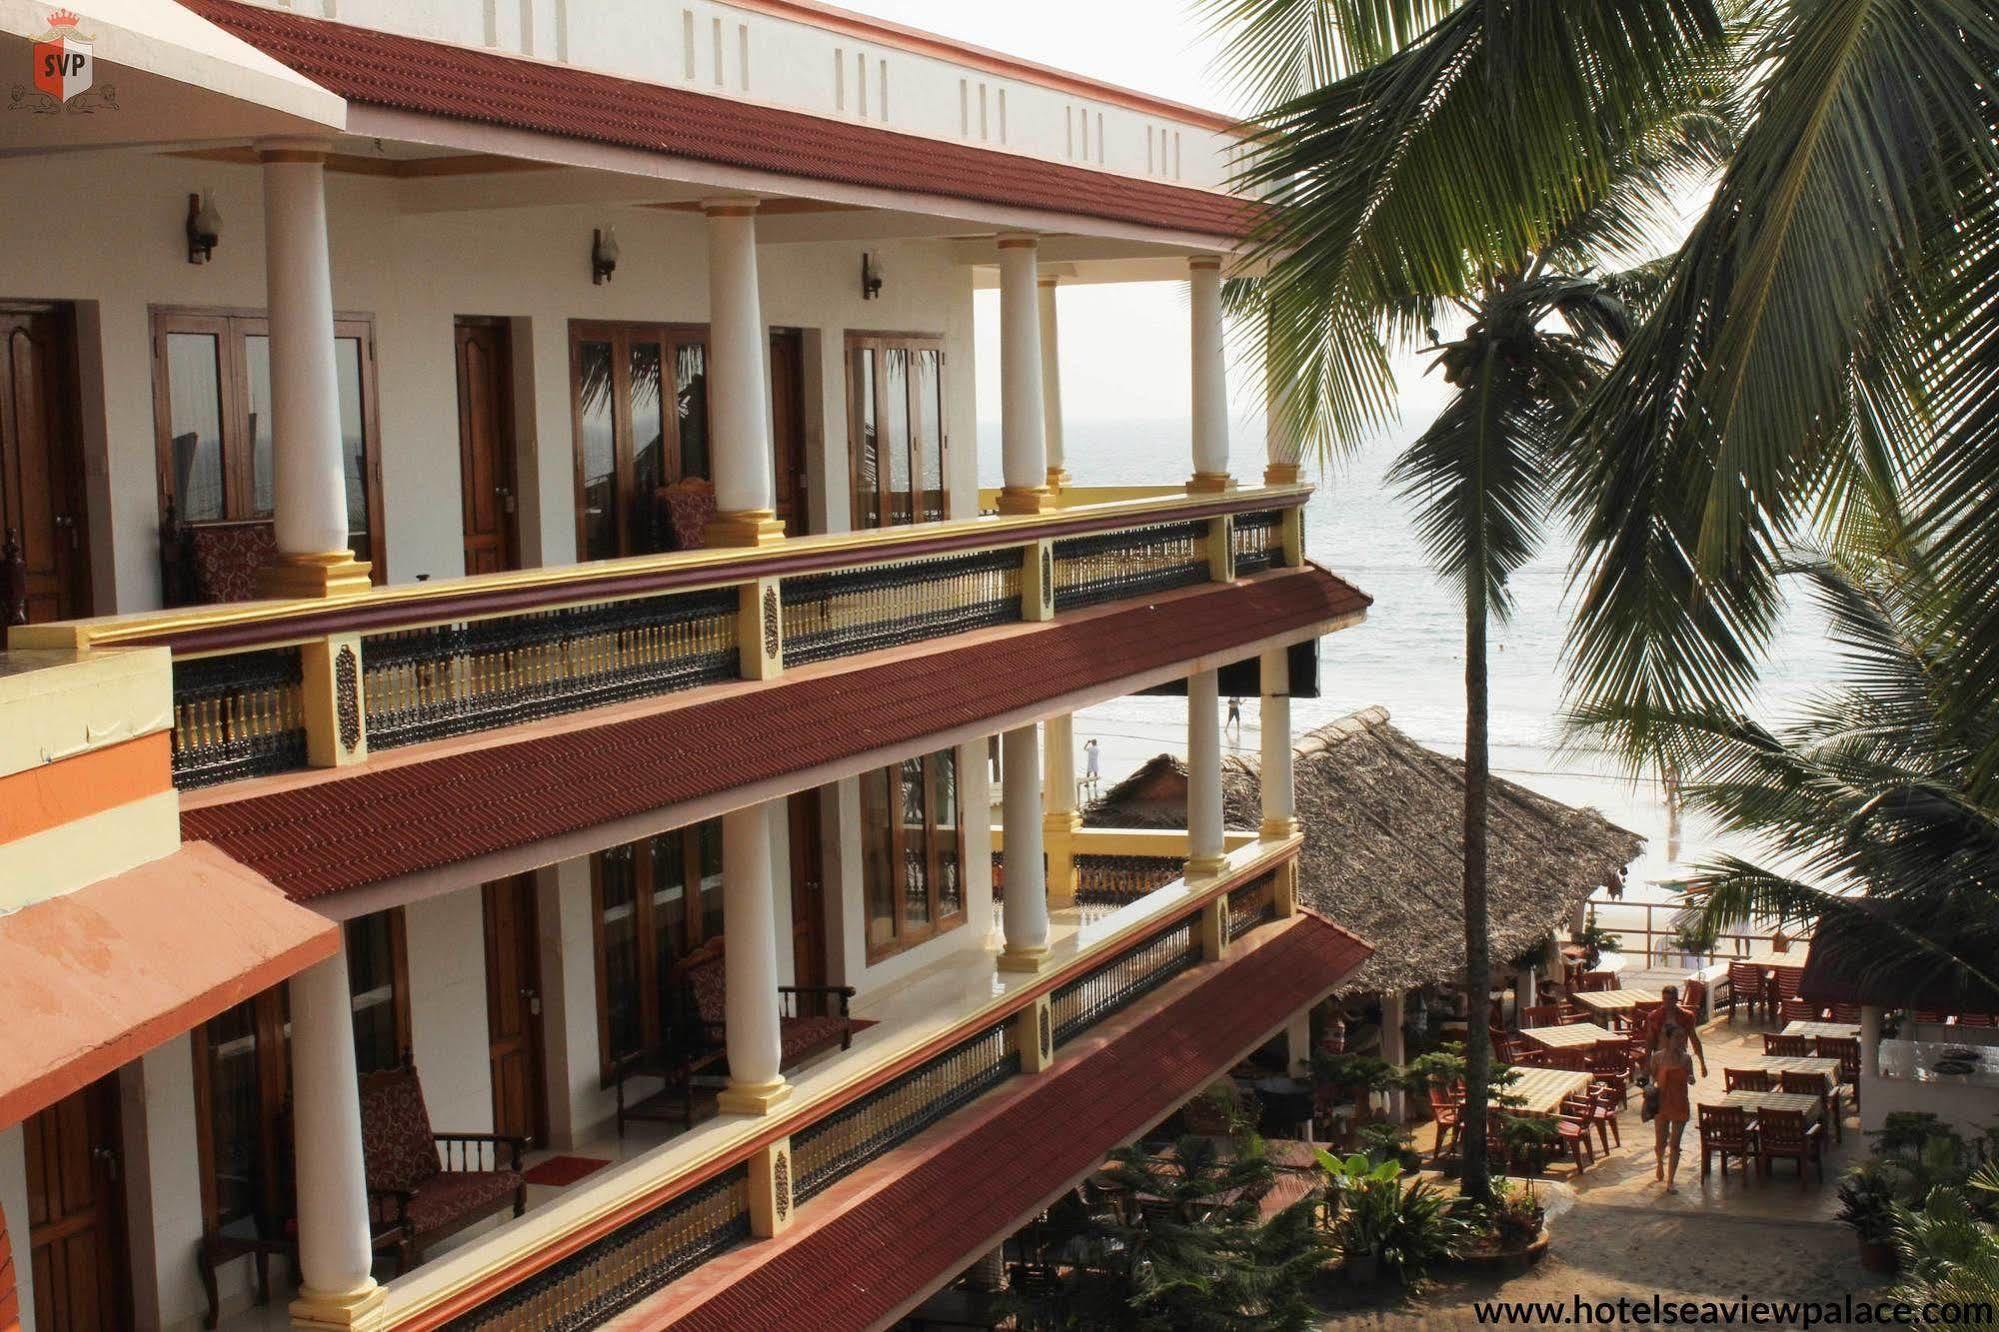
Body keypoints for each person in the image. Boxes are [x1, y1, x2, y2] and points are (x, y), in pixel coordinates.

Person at [1649, 1025, 1696, 1192]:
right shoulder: (1658, 1058)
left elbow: (1691, 1077)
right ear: (1668, 1039)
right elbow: (1652, 1078)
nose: (1680, 1040)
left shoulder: (1686, 1059)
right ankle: (1660, 1162)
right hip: (1662, 1104)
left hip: (1680, 1103)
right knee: (1660, 1142)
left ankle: (1670, 1181)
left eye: (1682, 1037)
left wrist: (1690, 1078)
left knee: (1675, 1144)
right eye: (1676, 1037)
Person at [1641, 984, 1709, 1077]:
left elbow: (1694, 1040)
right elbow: (1649, 1042)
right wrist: (1647, 1064)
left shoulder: (1687, 1017)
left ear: (1676, 999)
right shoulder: (1654, 1017)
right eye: (1665, 999)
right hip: (1661, 1059)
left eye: (1671, 999)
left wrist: (1702, 1063)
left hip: (1679, 1058)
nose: (1668, 1003)